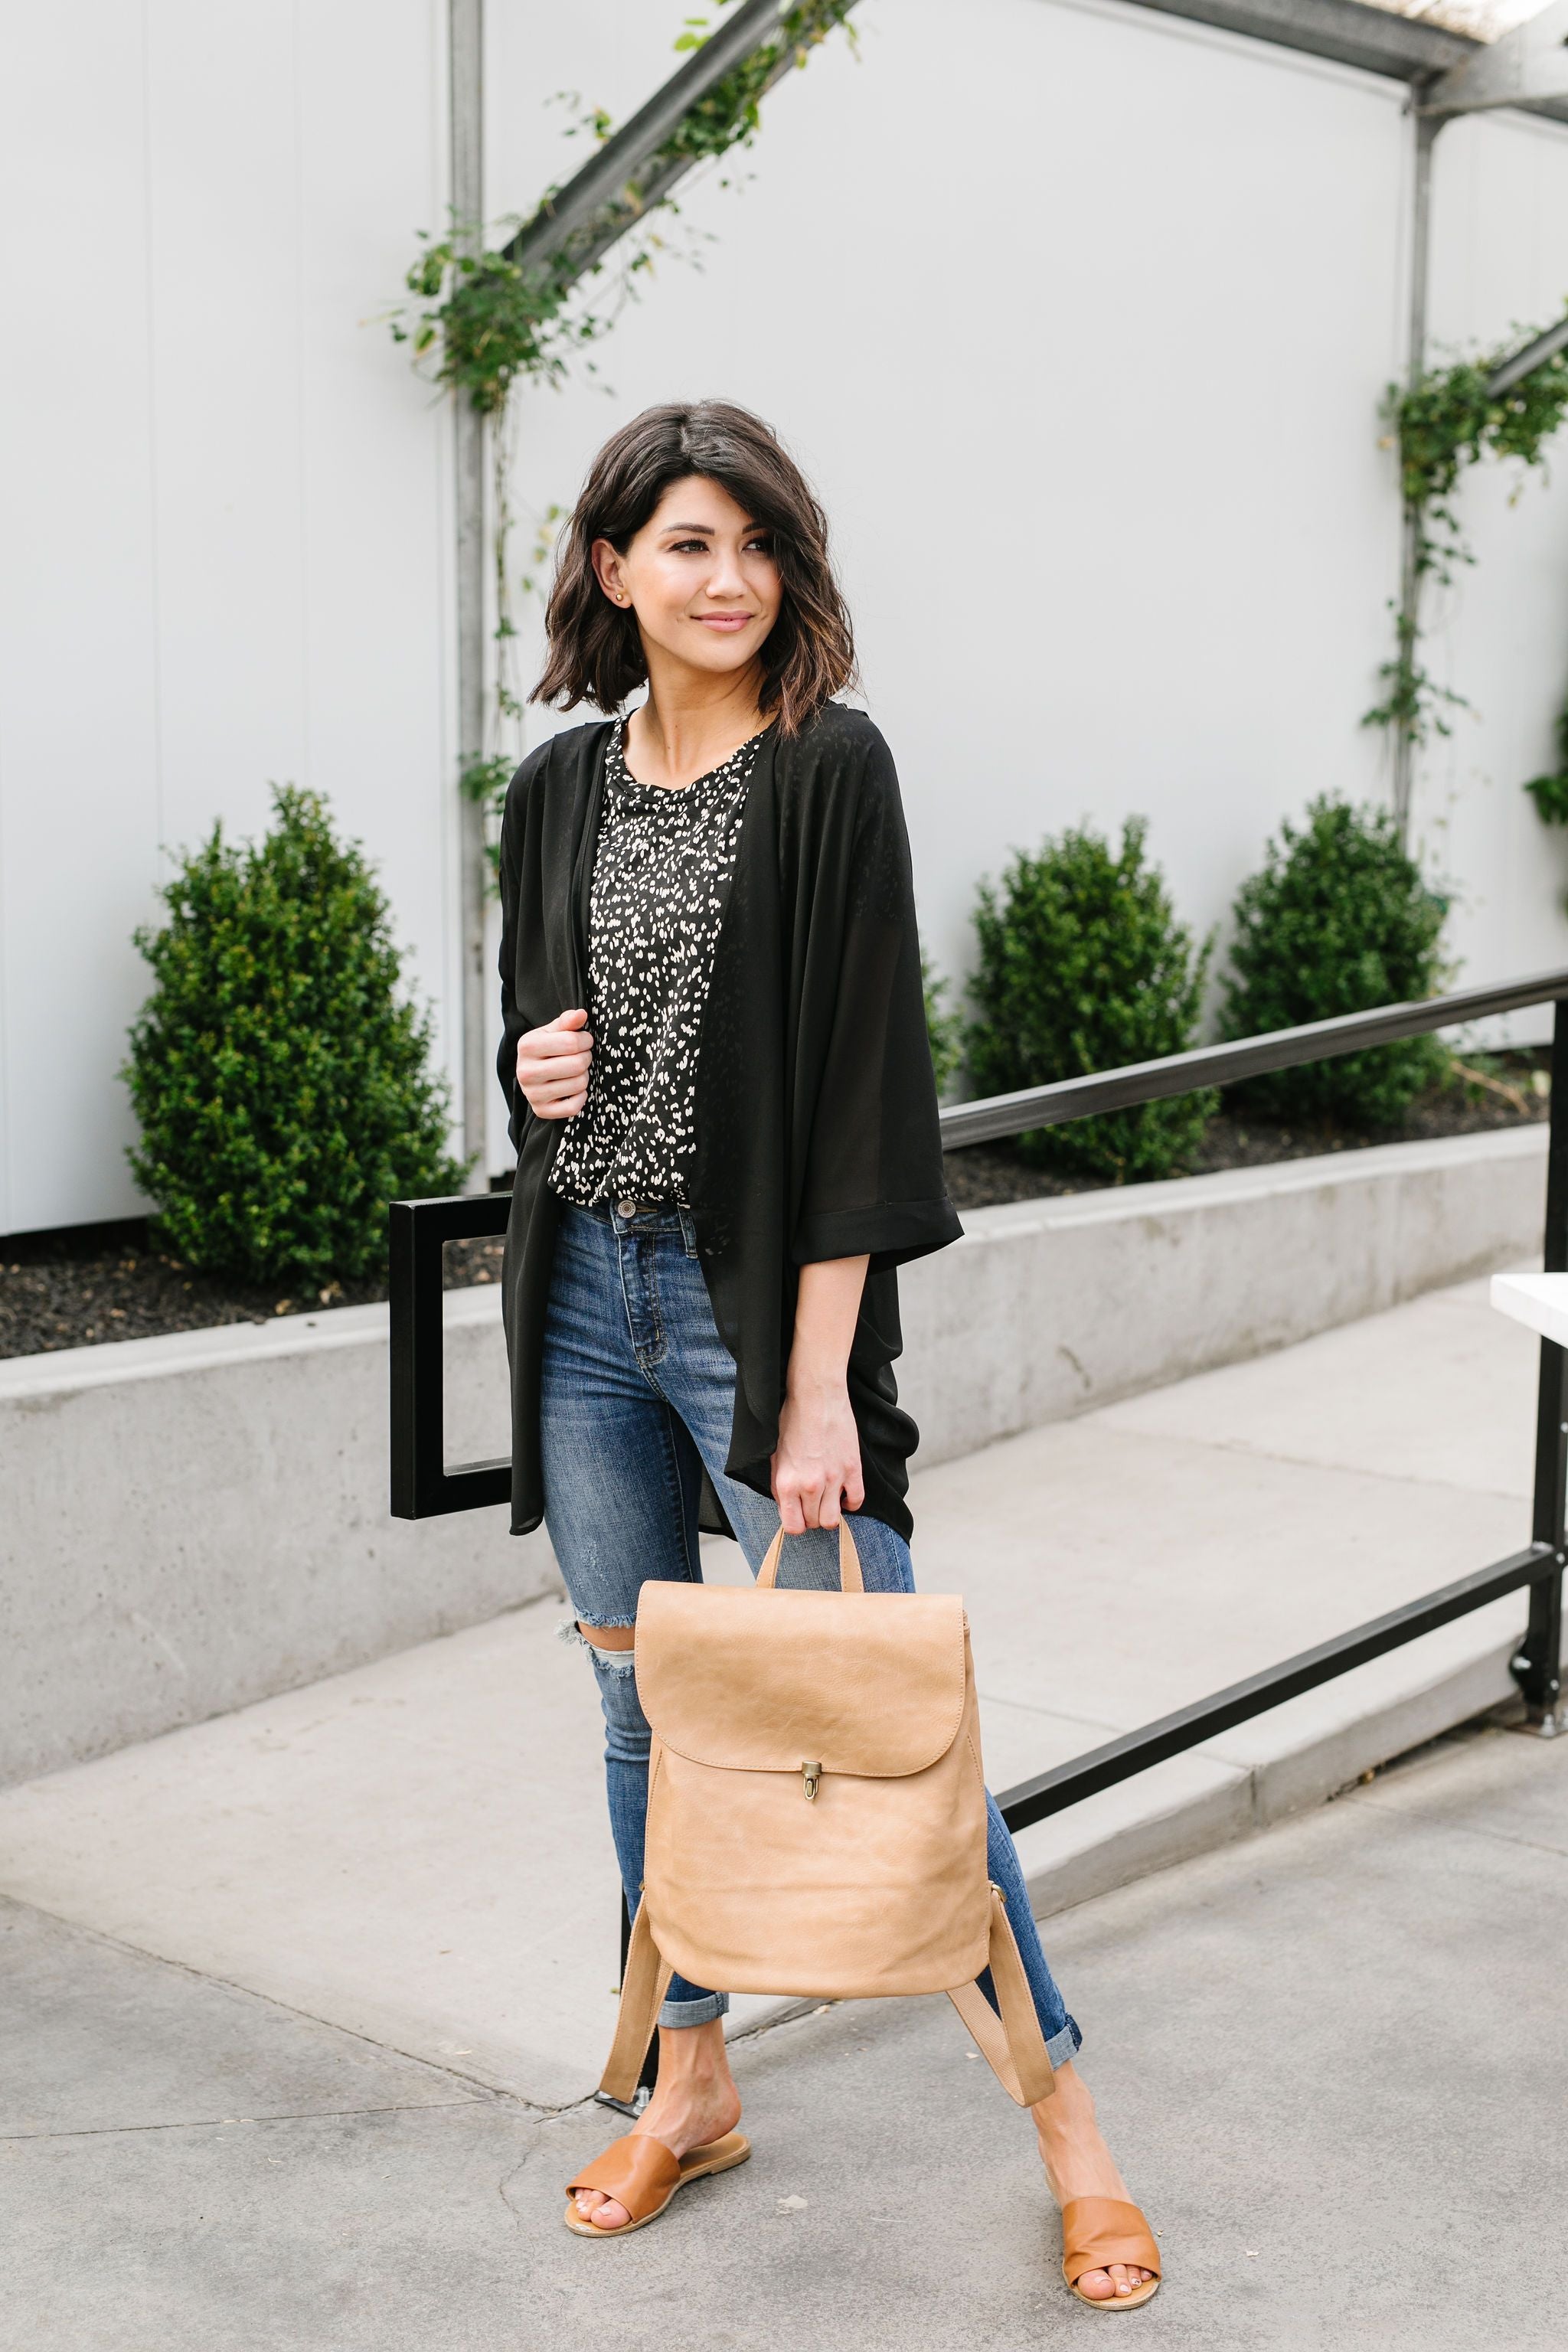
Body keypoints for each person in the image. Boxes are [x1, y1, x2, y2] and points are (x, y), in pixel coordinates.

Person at [495, 400, 1159, 2308]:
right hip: (584, 1302)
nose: (730, 580)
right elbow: (542, 1051)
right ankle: (687, 2080)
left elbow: (869, 1089)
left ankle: (1070, 2134)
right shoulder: (554, 786)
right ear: (612, 567)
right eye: (688, 544)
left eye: (758, 543)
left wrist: (810, 1389)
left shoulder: (827, 767)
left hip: (755, 1320)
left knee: (891, 1732)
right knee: (641, 1713)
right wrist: (534, 1068)